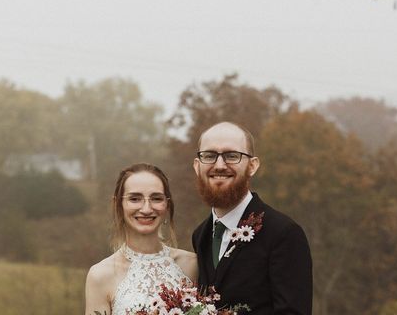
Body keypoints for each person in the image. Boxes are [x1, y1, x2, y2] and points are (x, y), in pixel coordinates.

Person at [192, 121, 312, 315]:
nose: (220, 165)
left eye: (232, 156)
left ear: (252, 165)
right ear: (197, 166)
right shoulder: (200, 235)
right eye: (210, 156)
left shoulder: (284, 233)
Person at [85, 163, 197, 315]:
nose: (146, 209)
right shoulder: (100, 275)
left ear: (167, 205)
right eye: (135, 199)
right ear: (118, 205)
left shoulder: (192, 264)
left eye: (156, 198)